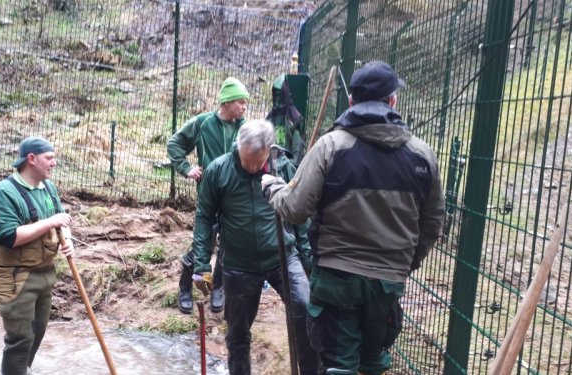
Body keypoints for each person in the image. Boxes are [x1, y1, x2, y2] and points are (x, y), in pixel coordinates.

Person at [262, 61, 445, 375]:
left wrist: (273, 188)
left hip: (337, 277)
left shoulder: (331, 147)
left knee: (339, 365)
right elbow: (433, 223)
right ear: (392, 101)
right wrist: (404, 263)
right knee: (371, 362)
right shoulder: (422, 155)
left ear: (350, 101)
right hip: (388, 281)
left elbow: (294, 208)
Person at [193, 119, 318, 375]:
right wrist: (201, 263)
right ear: (238, 146)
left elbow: (299, 216)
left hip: (284, 257)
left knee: (306, 311)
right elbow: (204, 217)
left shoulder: (283, 167)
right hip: (239, 265)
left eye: (257, 161)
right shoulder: (219, 171)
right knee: (238, 332)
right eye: (246, 159)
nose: (251, 167)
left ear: (269, 150)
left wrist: (307, 259)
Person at [0, 136, 76, 375]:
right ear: (32, 159)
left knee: (38, 332)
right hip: (15, 276)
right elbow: (9, 237)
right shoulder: (4, 192)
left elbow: (61, 217)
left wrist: (68, 239)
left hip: (45, 272)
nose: (54, 163)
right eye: (50, 158)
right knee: (20, 337)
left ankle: (21, 371)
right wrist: (50, 222)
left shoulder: (48, 187)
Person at [167, 77, 250, 314]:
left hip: (235, 198)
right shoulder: (202, 123)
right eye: (241, 102)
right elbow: (175, 144)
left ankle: (217, 289)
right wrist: (187, 168)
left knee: (229, 244)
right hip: (209, 195)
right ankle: (185, 288)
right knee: (204, 242)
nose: (244, 107)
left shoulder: (243, 128)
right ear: (227, 102)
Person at [267, 74, 305, 165]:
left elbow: (296, 156)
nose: (277, 98)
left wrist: (286, 166)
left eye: (280, 94)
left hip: (287, 168)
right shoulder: (269, 120)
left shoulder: (293, 119)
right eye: (276, 94)